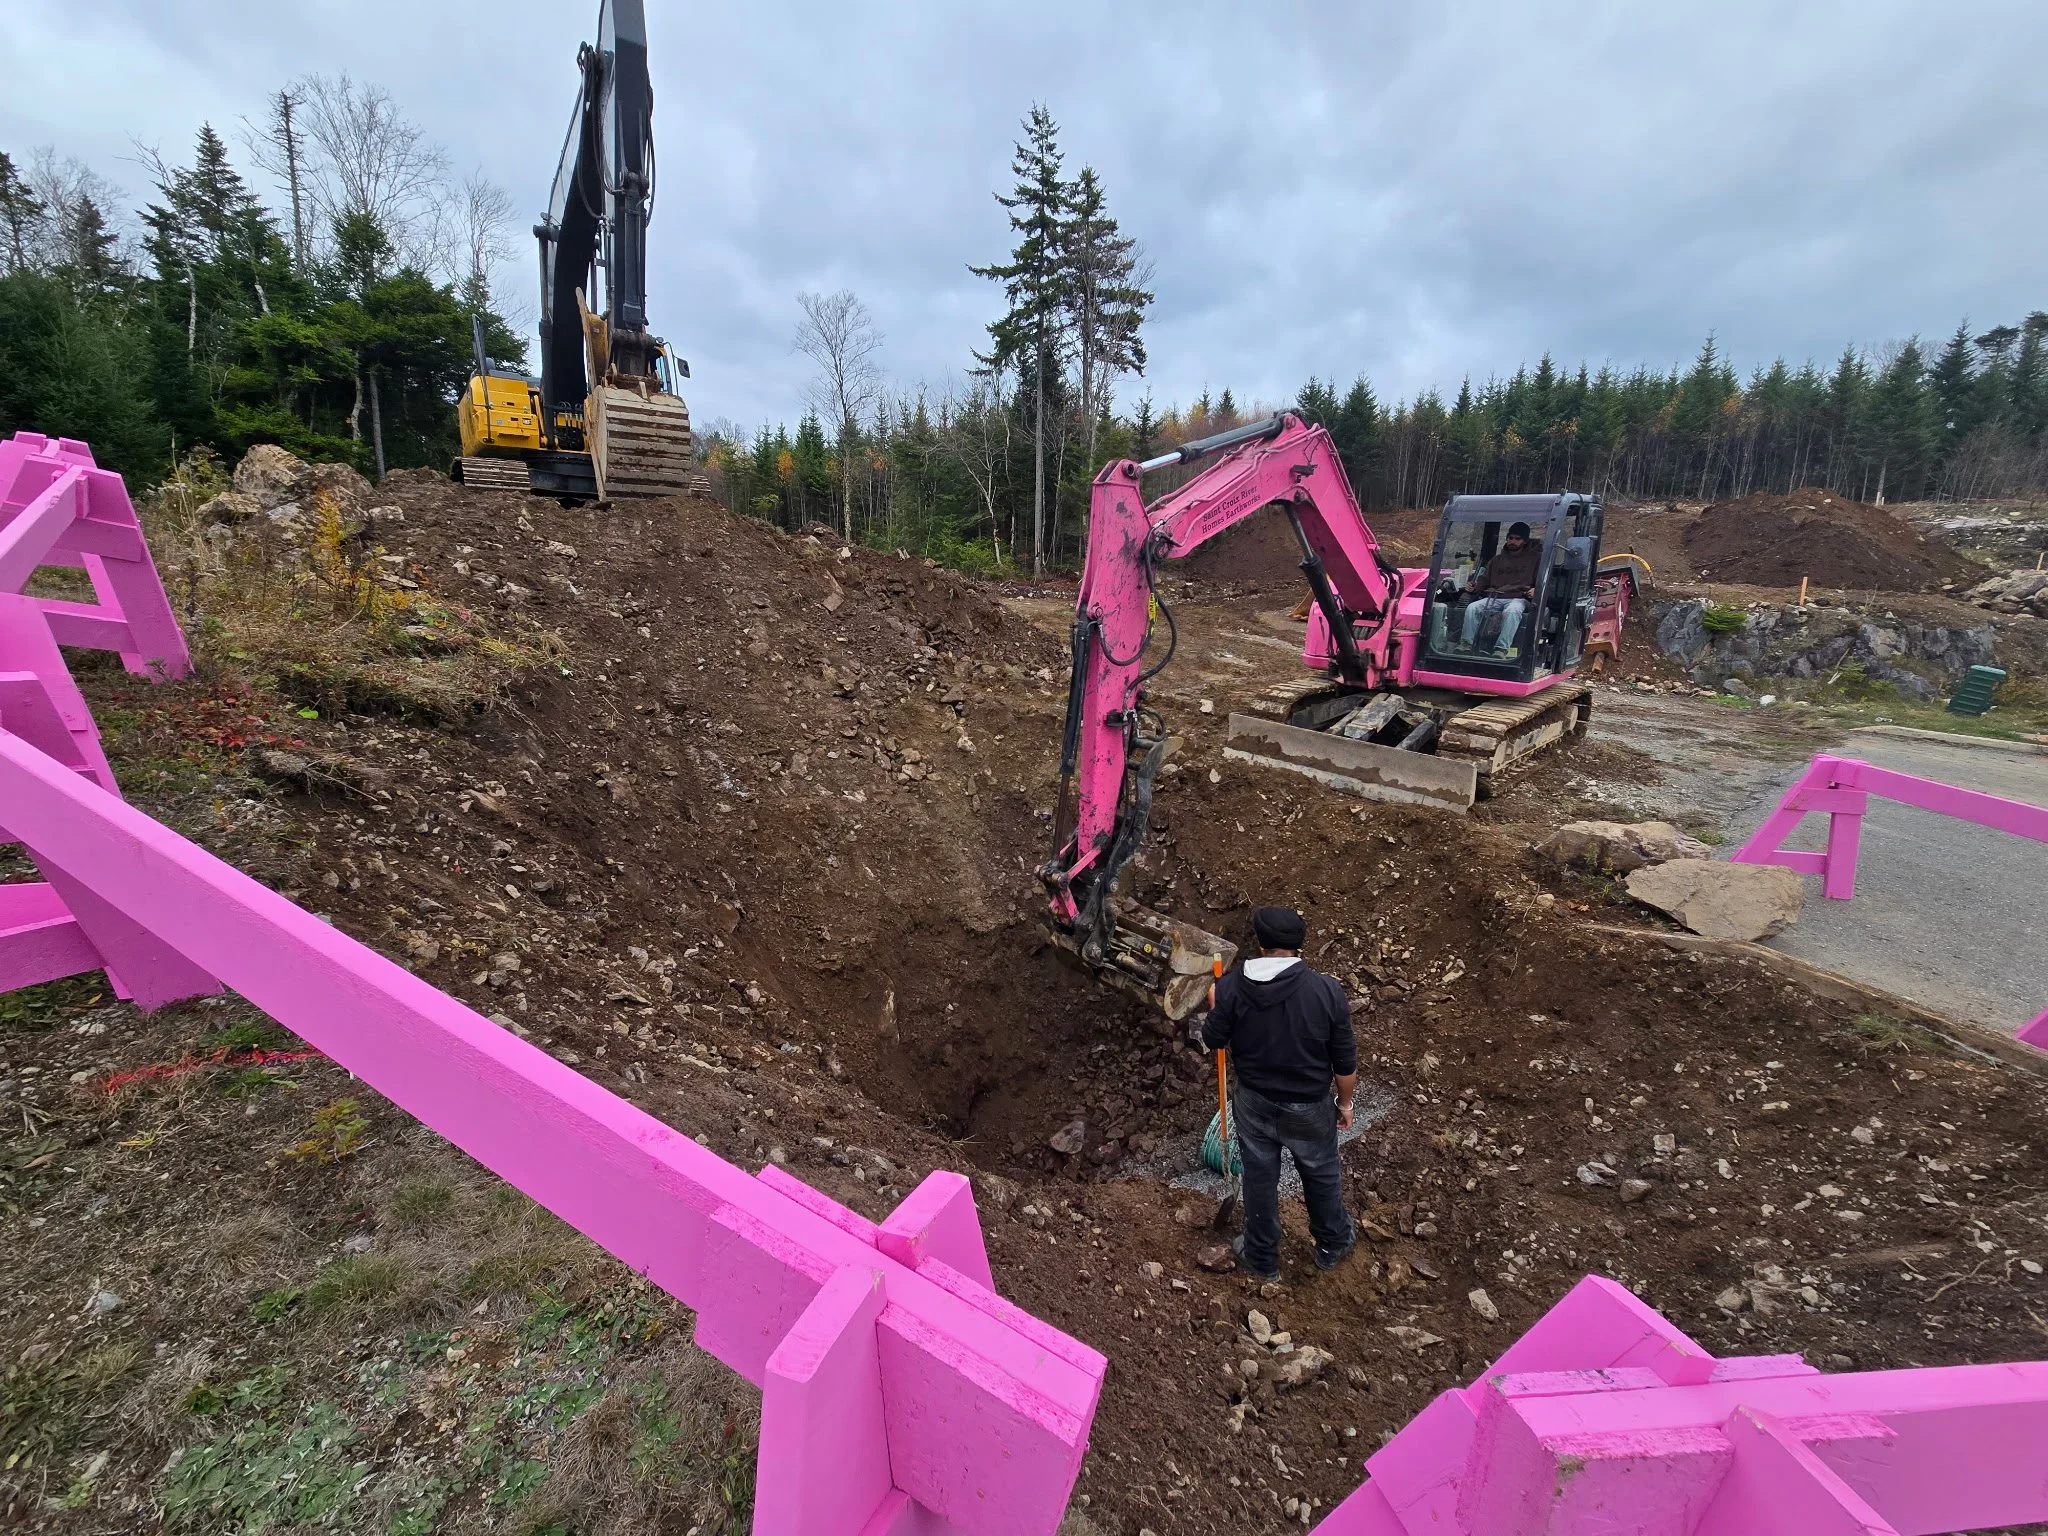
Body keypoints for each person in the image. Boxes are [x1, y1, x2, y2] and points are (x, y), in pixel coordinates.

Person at [1201, 906, 1358, 1280]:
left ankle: (1261, 1257)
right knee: (1320, 1172)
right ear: (1298, 946)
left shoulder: (1231, 988)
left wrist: (1216, 1003)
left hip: (1254, 1102)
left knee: (1259, 1176)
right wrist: (1345, 1103)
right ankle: (1332, 1243)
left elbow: (1212, 1038)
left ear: (1260, 943)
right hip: (1309, 1105)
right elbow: (1344, 1060)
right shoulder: (1326, 991)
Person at [1461, 521, 1543, 650]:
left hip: (1519, 598)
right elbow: (1484, 580)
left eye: (1517, 539)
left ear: (1525, 541)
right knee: (1472, 608)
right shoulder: (1497, 560)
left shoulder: (1535, 559)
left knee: (1512, 610)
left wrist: (1536, 589)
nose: (1513, 541)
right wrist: (1474, 587)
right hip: (1495, 597)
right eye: (1510, 538)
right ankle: (1466, 644)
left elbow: (1543, 581)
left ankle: (1501, 648)